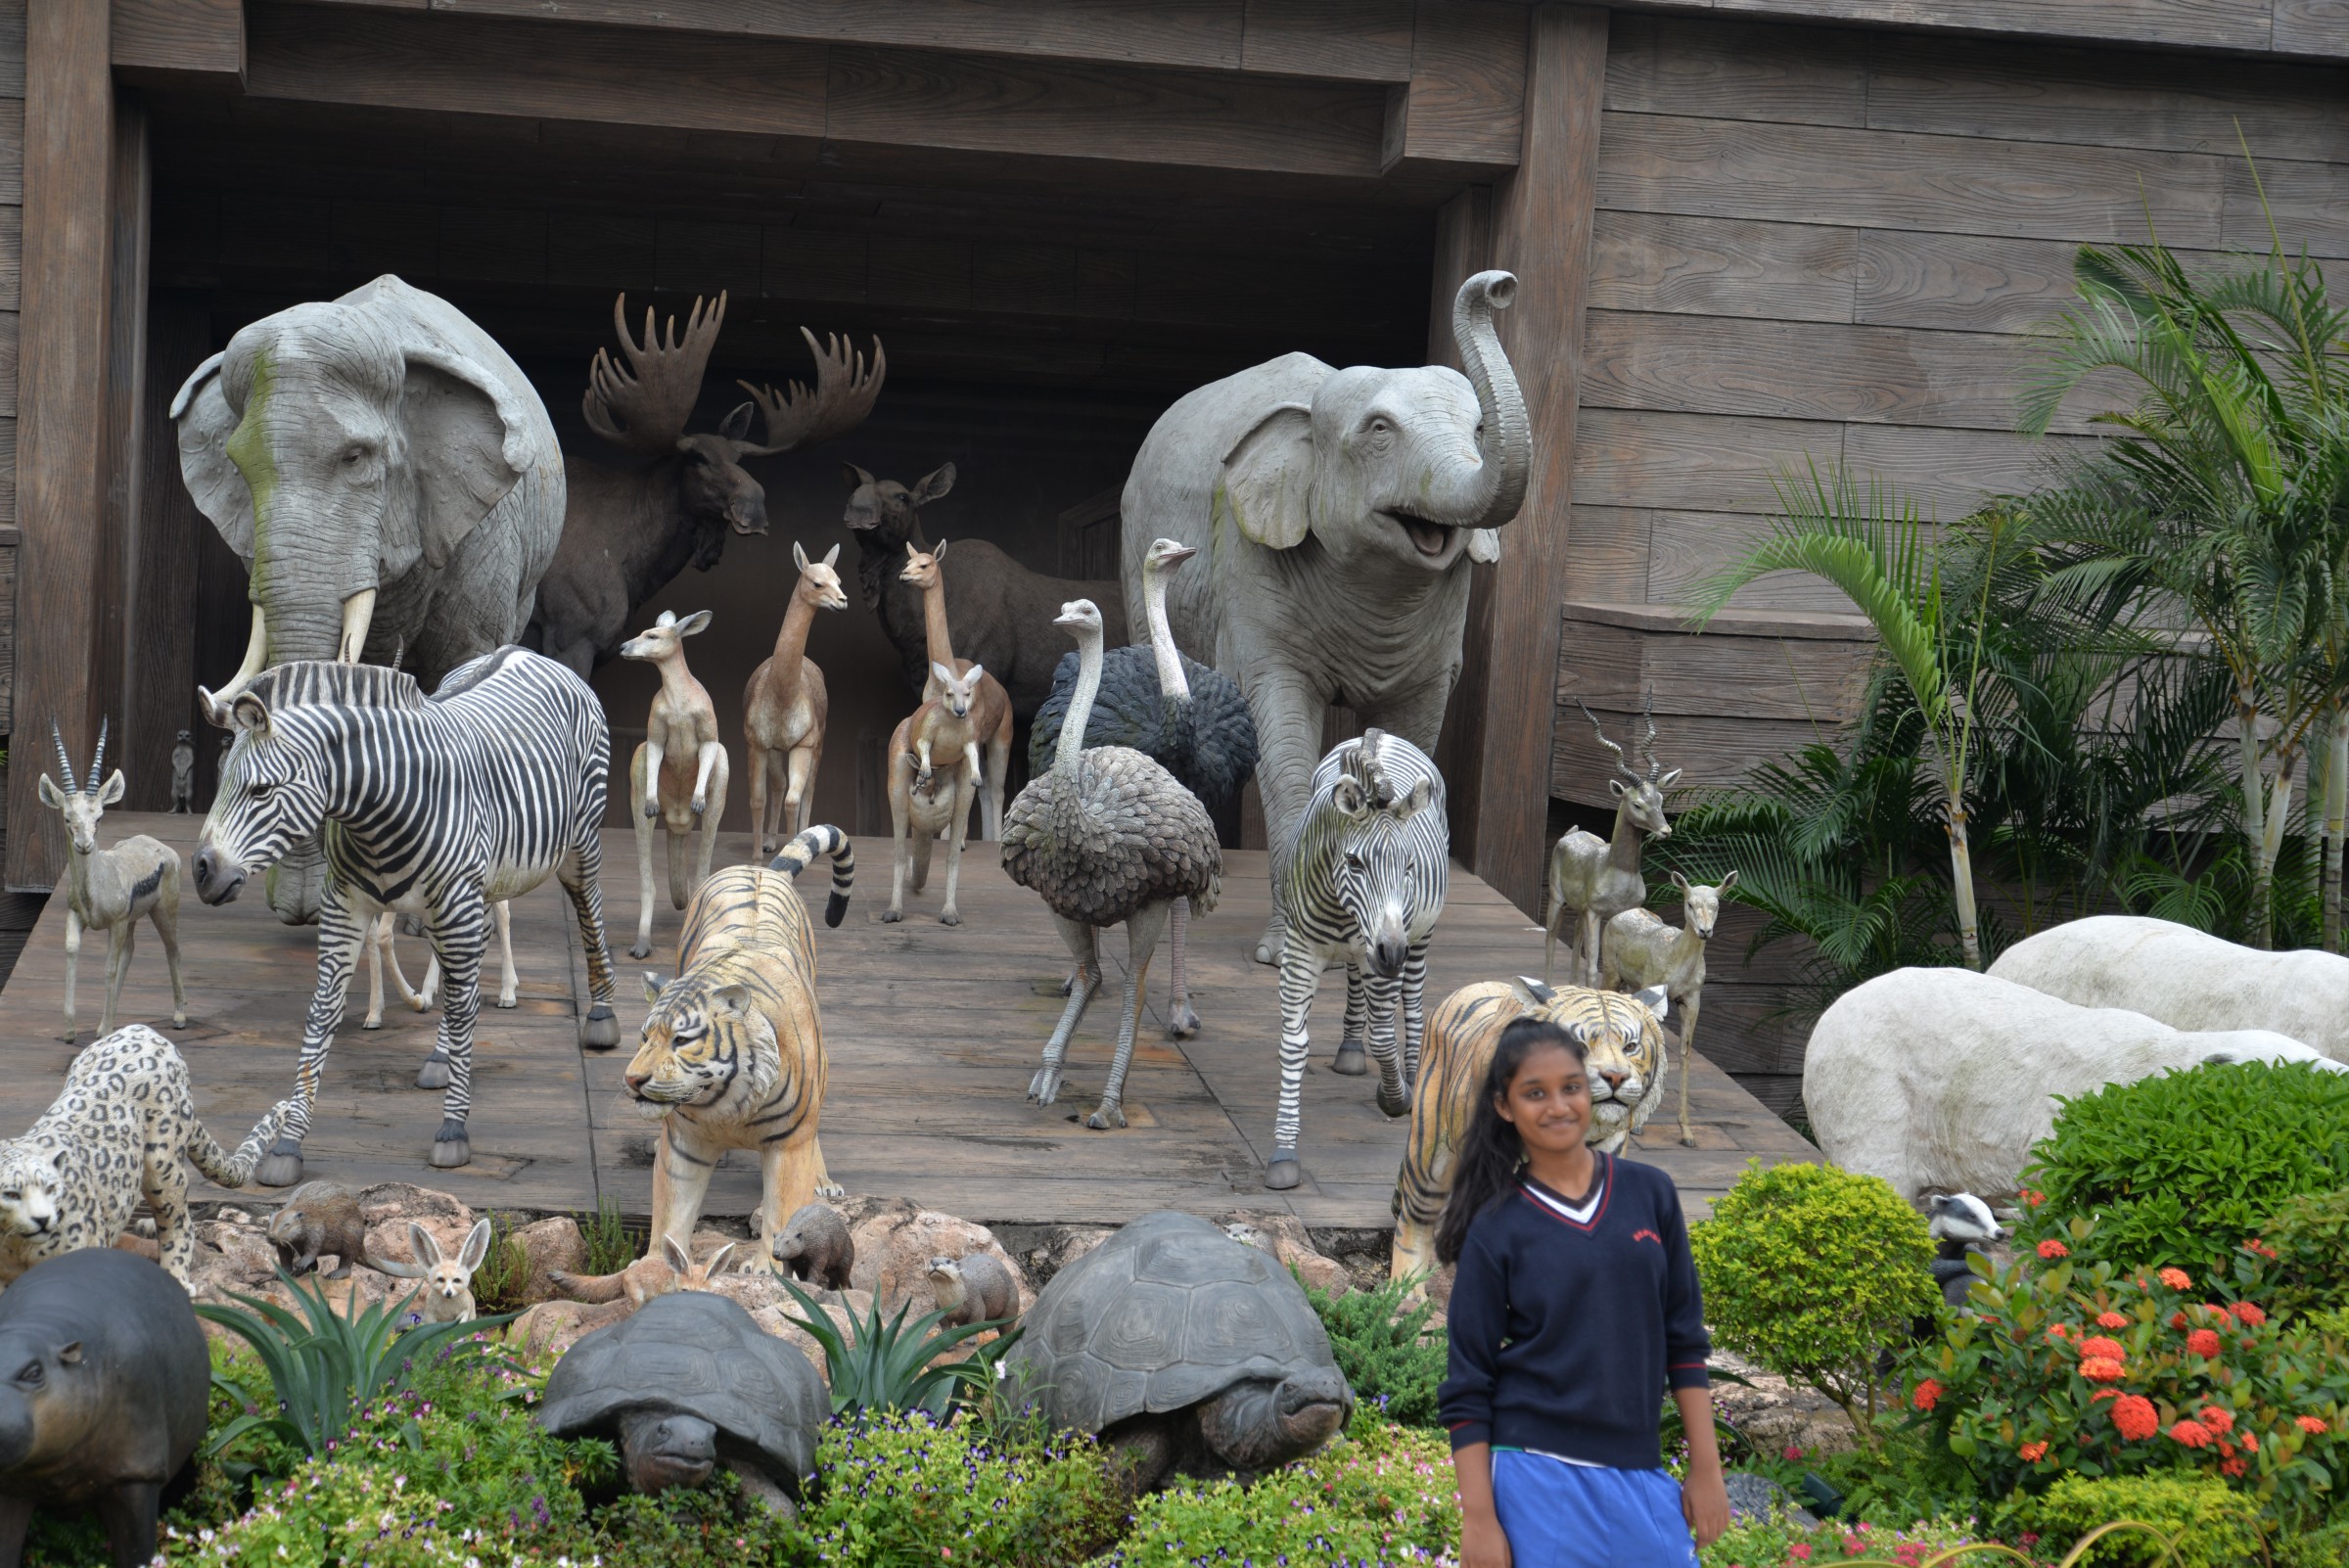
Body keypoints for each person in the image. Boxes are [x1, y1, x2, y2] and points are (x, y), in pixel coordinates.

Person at [1438, 1016, 1730, 1567]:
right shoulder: (1495, 1225)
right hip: (1534, 1472)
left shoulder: (1651, 1193)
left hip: (1640, 1467)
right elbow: (1468, 1382)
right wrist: (1478, 1518)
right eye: (1535, 1093)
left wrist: (1706, 1468)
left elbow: (1685, 1341)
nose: (1558, 1106)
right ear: (1504, 1106)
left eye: (1571, 1087)